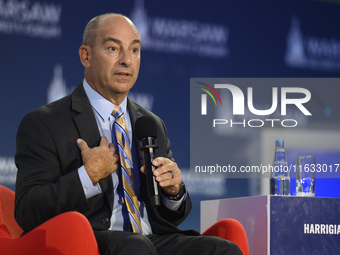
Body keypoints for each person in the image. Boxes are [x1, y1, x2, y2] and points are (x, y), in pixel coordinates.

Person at [14, 13, 242, 255]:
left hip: (151, 239)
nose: (126, 60)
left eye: (134, 50)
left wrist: (173, 192)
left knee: (223, 249)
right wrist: (87, 176)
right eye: (113, 48)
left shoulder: (150, 124)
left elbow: (171, 217)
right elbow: (27, 210)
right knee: (135, 245)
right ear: (86, 56)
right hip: (90, 241)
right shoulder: (45, 122)